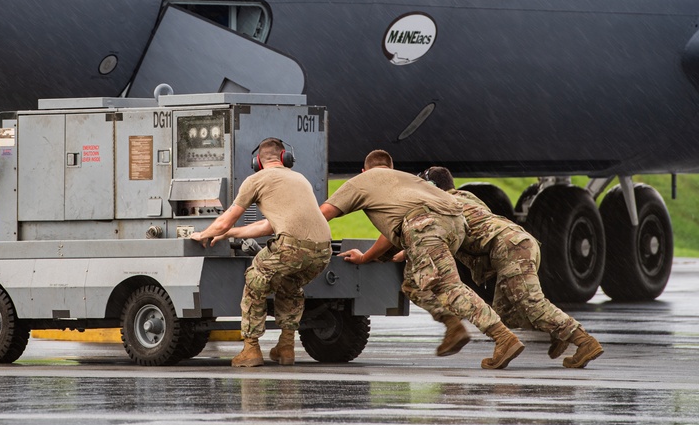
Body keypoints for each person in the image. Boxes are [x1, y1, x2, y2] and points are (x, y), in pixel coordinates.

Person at [320, 149, 525, 369]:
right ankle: (452, 325)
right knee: (413, 283)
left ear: (364, 170)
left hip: (425, 226)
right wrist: (381, 255)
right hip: (456, 223)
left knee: (449, 287)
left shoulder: (362, 181)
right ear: (390, 168)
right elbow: (396, 229)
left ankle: (503, 337)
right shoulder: (407, 179)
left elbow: (323, 214)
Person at [413, 166, 604, 369]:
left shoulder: (443, 206)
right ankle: (557, 330)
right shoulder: (465, 196)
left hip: (511, 250)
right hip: (518, 242)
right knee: (508, 315)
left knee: (532, 303)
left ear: (432, 187)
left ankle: (584, 342)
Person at [190, 138, 332, 367]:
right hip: (322, 252)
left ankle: (251, 349)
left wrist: (204, 233)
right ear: (285, 158)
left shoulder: (255, 180)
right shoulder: (300, 178)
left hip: (291, 247)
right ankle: (286, 348)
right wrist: (228, 234)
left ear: (257, 161)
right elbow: (267, 226)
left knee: (255, 280)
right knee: (289, 284)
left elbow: (227, 218)